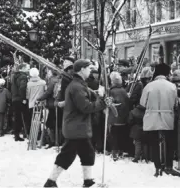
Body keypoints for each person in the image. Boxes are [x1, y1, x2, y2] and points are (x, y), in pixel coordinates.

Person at [44, 59, 106, 188]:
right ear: (82, 69)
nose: (90, 71)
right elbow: (86, 107)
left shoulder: (79, 84)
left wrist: (97, 95)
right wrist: (102, 103)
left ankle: (87, 181)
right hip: (76, 127)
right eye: (89, 68)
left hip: (78, 126)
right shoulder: (77, 86)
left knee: (87, 153)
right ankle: (50, 181)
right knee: (67, 155)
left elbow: (86, 97)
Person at [140, 63, 180, 177]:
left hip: (152, 116)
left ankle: (157, 167)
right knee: (170, 142)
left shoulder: (148, 86)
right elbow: (175, 103)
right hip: (167, 116)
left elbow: (142, 103)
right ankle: (168, 166)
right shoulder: (172, 86)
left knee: (154, 143)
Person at [108, 71, 131, 161]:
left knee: (113, 135)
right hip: (123, 117)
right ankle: (120, 151)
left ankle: (114, 152)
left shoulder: (111, 91)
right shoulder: (123, 91)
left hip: (114, 117)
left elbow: (110, 103)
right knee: (121, 135)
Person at [11, 63, 30, 141]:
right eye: (28, 68)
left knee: (17, 117)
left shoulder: (15, 76)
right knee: (25, 116)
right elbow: (22, 88)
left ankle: (16, 134)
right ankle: (25, 132)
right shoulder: (23, 76)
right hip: (20, 99)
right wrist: (24, 98)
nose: (29, 69)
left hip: (15, 98)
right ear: (23, 68)